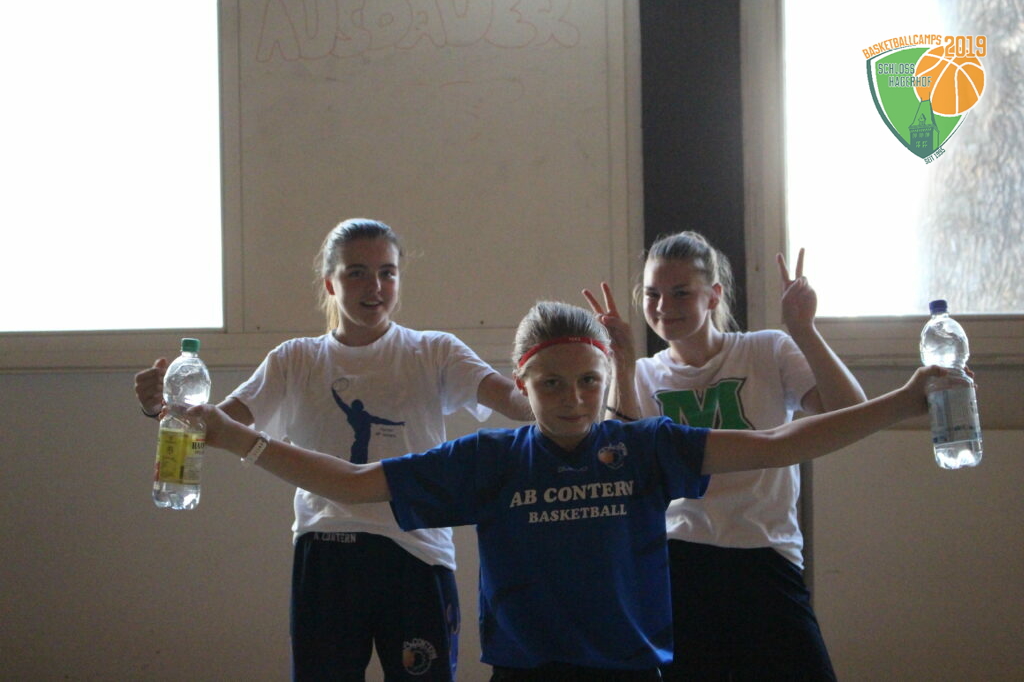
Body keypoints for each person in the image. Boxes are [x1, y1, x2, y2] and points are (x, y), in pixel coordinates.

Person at [184, 299, 943, 681]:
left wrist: (905, 400)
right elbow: (354, 482)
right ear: (522, 385)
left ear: (609, 379)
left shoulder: (645, 448)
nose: (573, 398)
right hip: (527, 674)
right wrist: (235, 437)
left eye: (587, 380)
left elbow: (783, 443)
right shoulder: (492, 459)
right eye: (550, 382)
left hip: (631, 670)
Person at [134, 218, 533, 682]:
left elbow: (518, 402)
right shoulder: (296, 358)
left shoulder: (435, 351)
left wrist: (569, 377)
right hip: (327, 550)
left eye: (387, 272)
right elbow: (213, 427)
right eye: (356, 272)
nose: (375, 286)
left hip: (416, 551)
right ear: (330, 282)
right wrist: (161, 407)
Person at [585, 231, 864, 680]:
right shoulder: (644, 373)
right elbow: (617, 462)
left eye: (681, 292)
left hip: (764, 552)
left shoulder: (767, 349)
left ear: (713, 295)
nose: (664, 306)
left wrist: (804, 330)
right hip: (679, 558)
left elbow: (850, 415)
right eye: (653, 294)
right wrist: (621, 361)